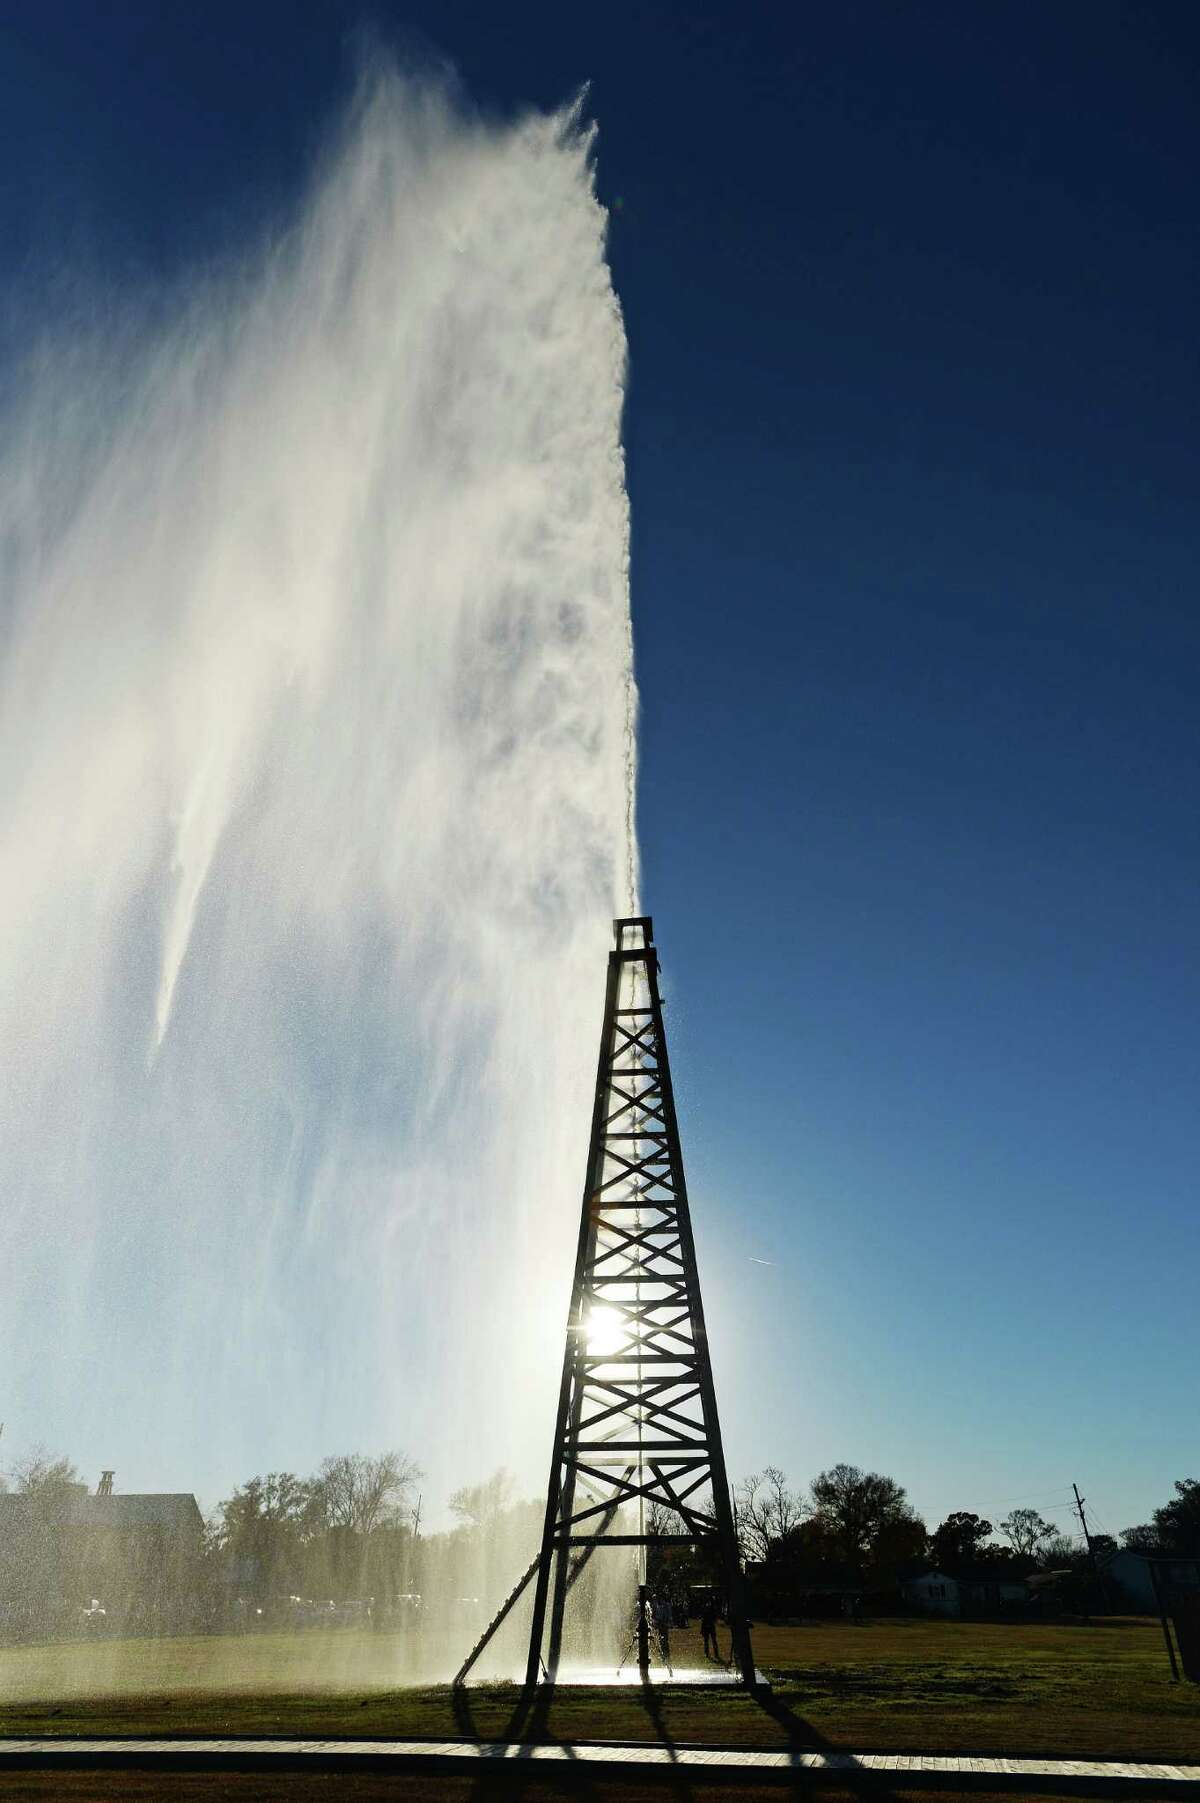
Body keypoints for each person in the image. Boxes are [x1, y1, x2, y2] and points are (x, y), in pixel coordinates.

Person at [651, 1592, 673, 1672]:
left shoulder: (666, 1605)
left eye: (657, 1599)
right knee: (661, 1641)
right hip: (660, 1625)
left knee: (664, 1641)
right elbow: (655, 1615)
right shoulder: (657, 1605)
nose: (656, 1600)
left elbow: (668, 1615)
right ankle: (664, 1656)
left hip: (663, 1625)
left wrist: (667, 1622)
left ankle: (666, 1656)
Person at [700, 1593, 720, 1661]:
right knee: (711, 1640)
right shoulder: (712, 1608)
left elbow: (704, 1618)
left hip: (708, 1625)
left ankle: (708, 1653)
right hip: (709, 1625)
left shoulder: (707, 1608)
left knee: (709, 1641)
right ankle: (714, 1653)